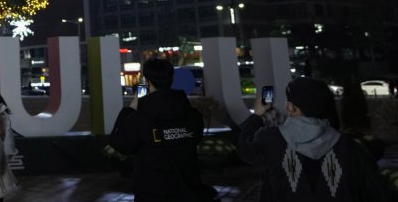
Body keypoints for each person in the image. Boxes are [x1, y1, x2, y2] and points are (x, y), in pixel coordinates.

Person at [237, 76, 391, 200]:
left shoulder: (271, 140)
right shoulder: (350, 147)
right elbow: (378, 191)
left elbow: (245, 148)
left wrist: (256, 116)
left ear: (291, 108)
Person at [108, 58, 216, 201]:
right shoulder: (192, 115)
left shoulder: (140, 119)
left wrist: (133, 105)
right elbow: (194, 139)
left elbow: (119, 143)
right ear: (170, 79)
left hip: (153, 193)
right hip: (189, 191)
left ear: (145, 82)